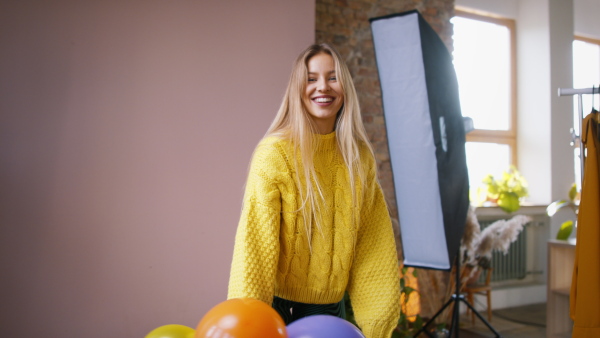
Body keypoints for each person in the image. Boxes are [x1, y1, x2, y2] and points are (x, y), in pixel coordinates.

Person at [227, 43, 400, 338]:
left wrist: (377, 324)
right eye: (311, 78)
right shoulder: (275, 154)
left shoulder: (359, 157)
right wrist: (247, 322)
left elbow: (373, 244)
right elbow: (255, 246)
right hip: (278, 311)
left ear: (345, 87)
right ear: (298, 88)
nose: (323, 87)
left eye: (333, 77)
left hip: (334, 312)